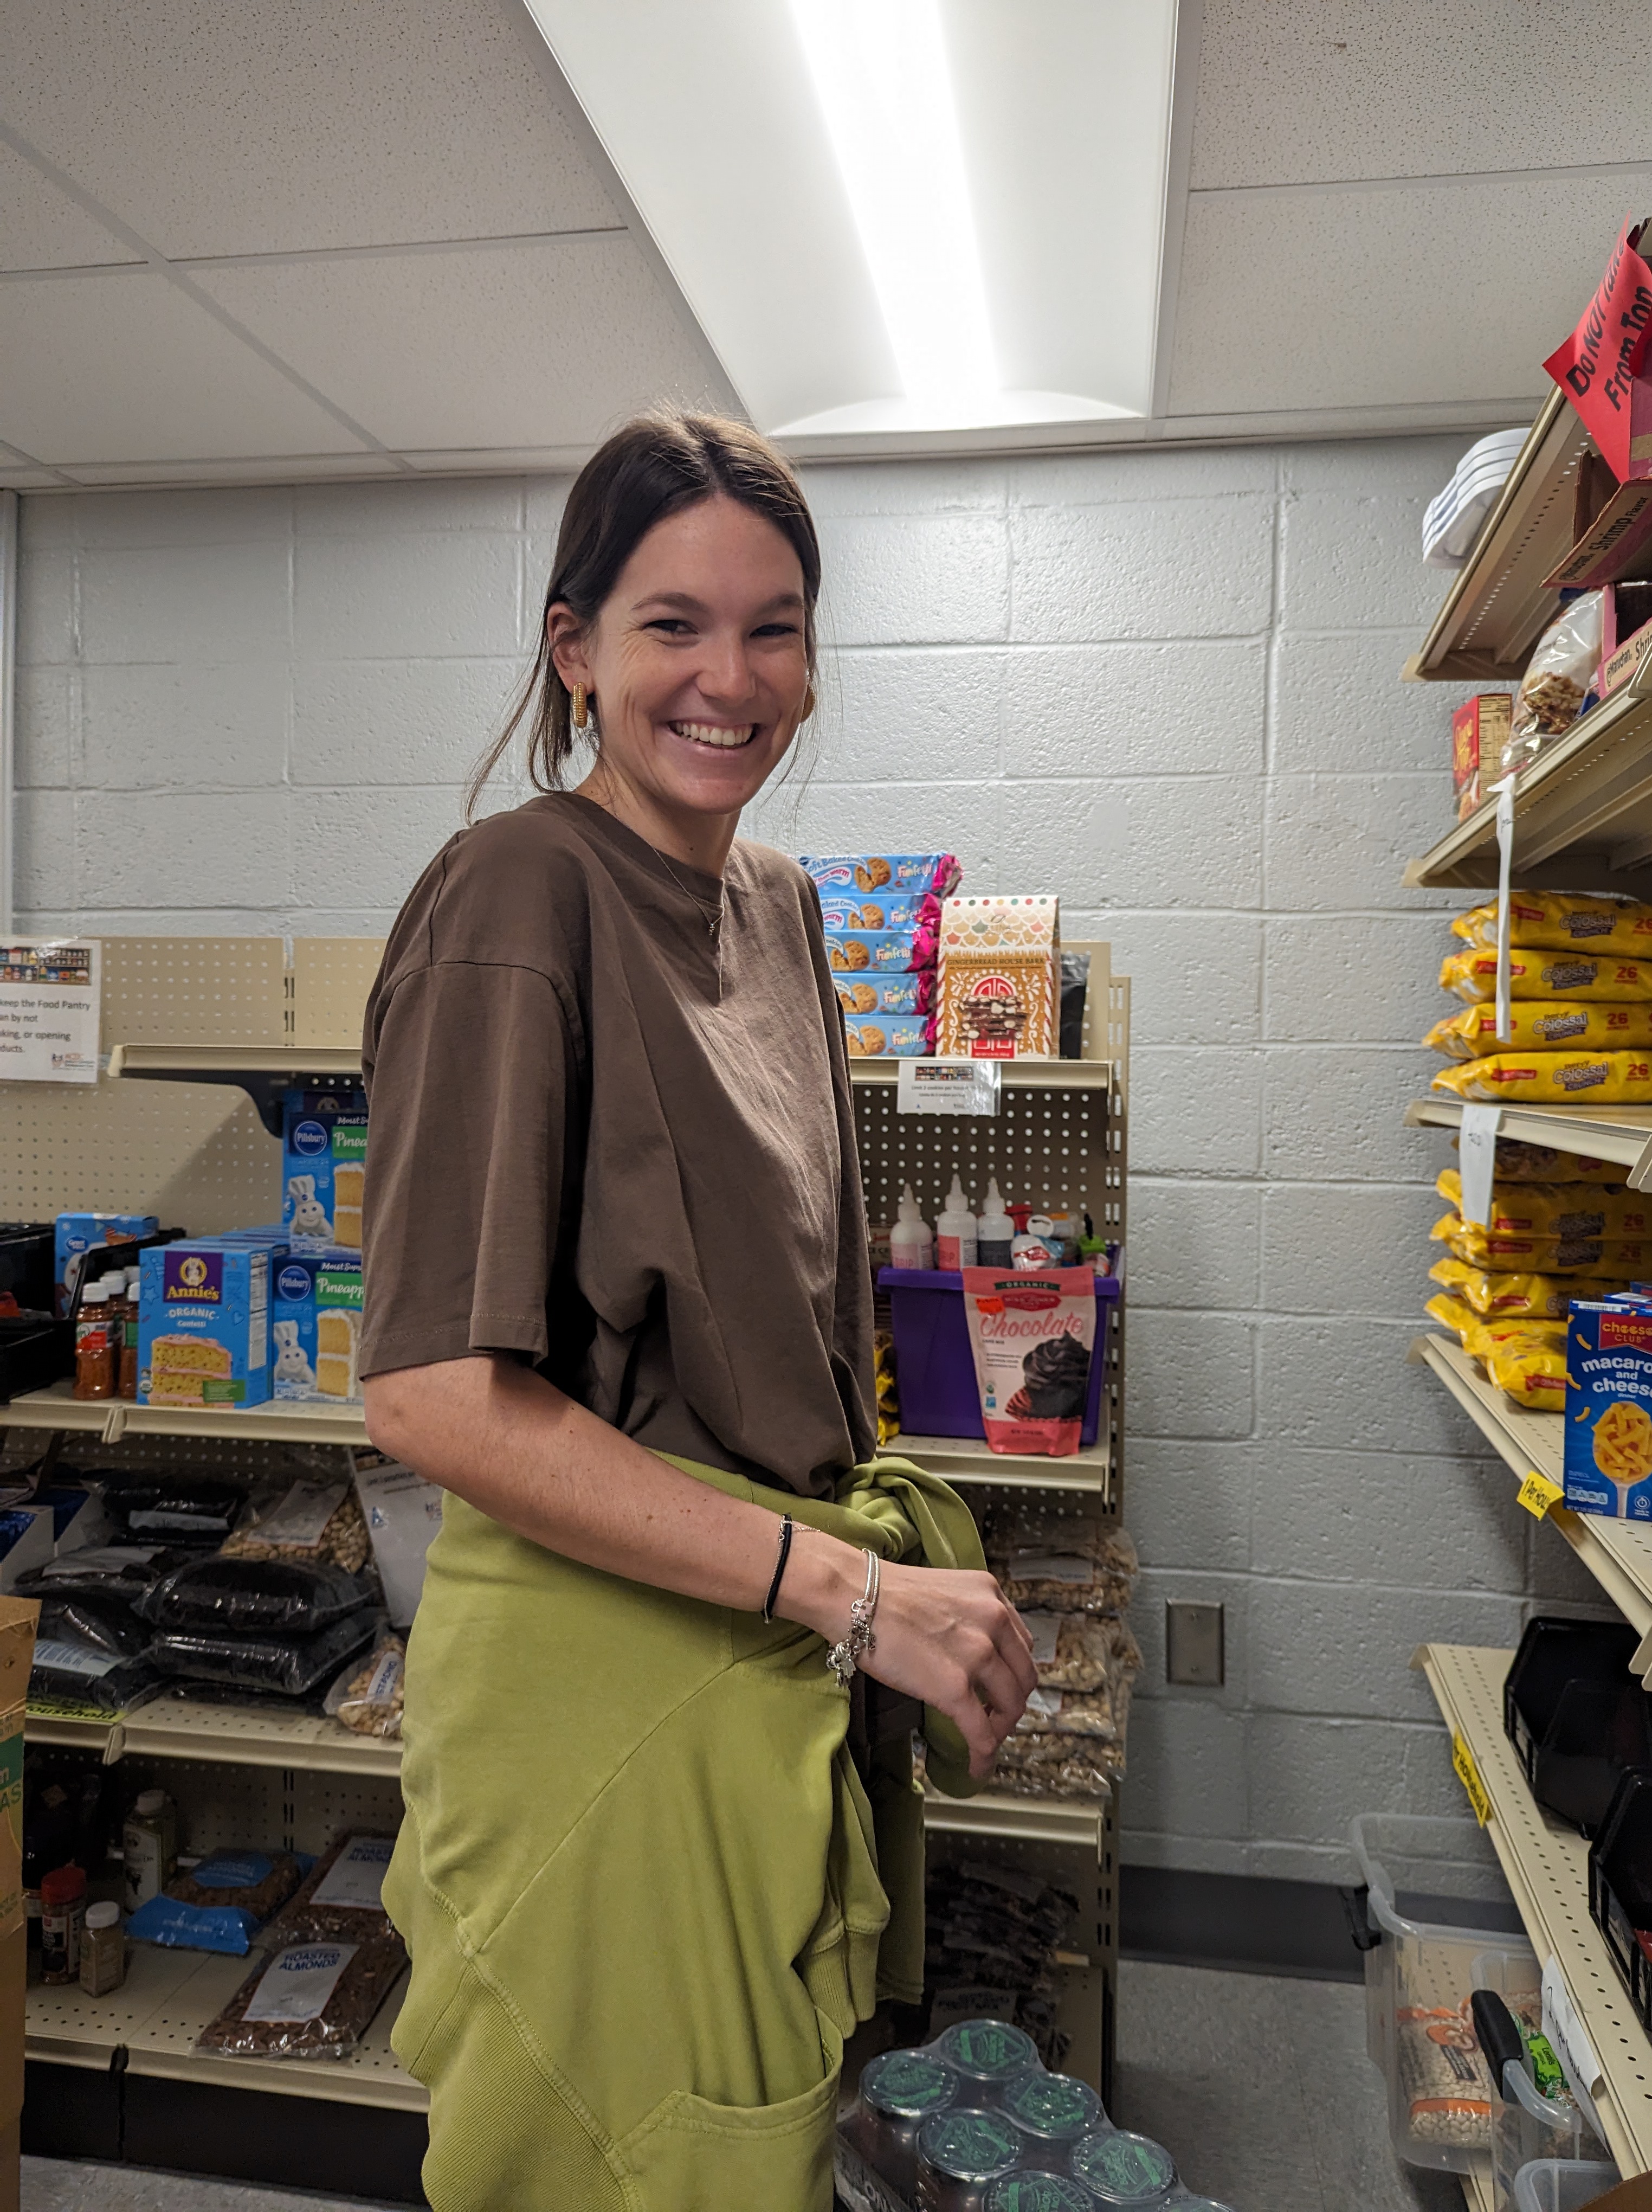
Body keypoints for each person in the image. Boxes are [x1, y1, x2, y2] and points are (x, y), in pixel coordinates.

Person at [358, 411, 1037, 2212]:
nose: (730, 680)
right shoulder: (520, 895)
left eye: (775, 626)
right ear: (575, 648)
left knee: (753, 2148)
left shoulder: (784, 903)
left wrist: (873, 1582)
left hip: (763, 1655)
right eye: (672, 625)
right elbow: (432, 1397)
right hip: (601, 1694)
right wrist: (856, 1590)